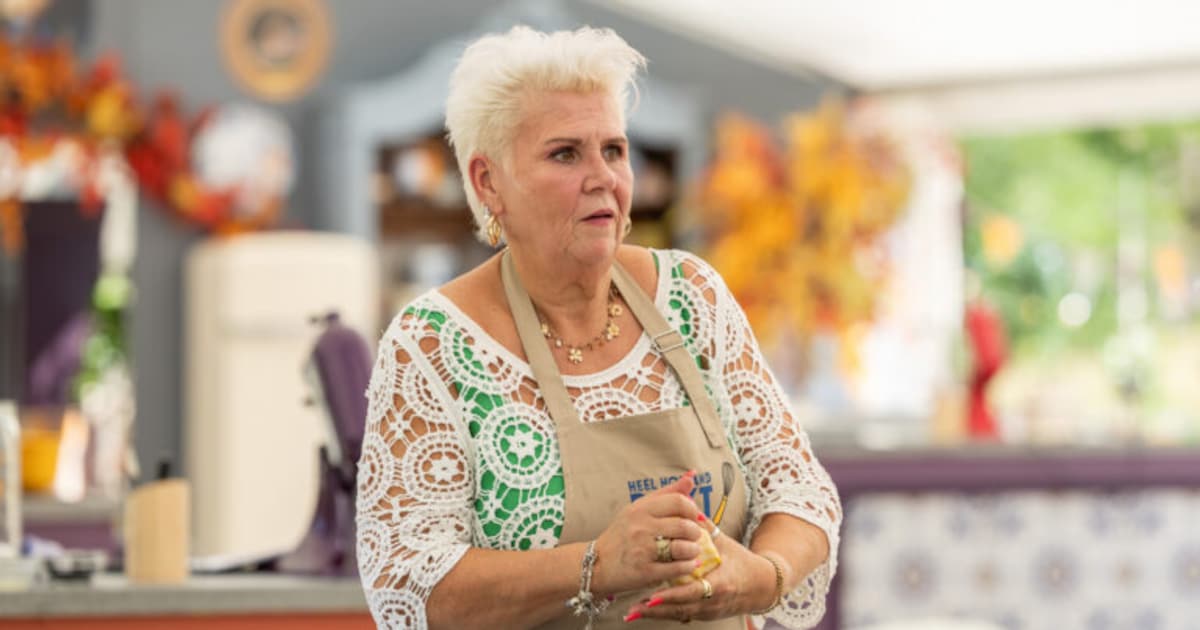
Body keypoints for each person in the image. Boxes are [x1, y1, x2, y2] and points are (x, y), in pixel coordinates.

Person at [356, 25, 841, 630]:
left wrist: (761, 577)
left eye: (614, 150)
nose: (603, 177)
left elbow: (799, 489)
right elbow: (407, 587)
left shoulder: (693, 296)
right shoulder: (432, 344)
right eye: (565, 153)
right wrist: (597, 565)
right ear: (488, 182)